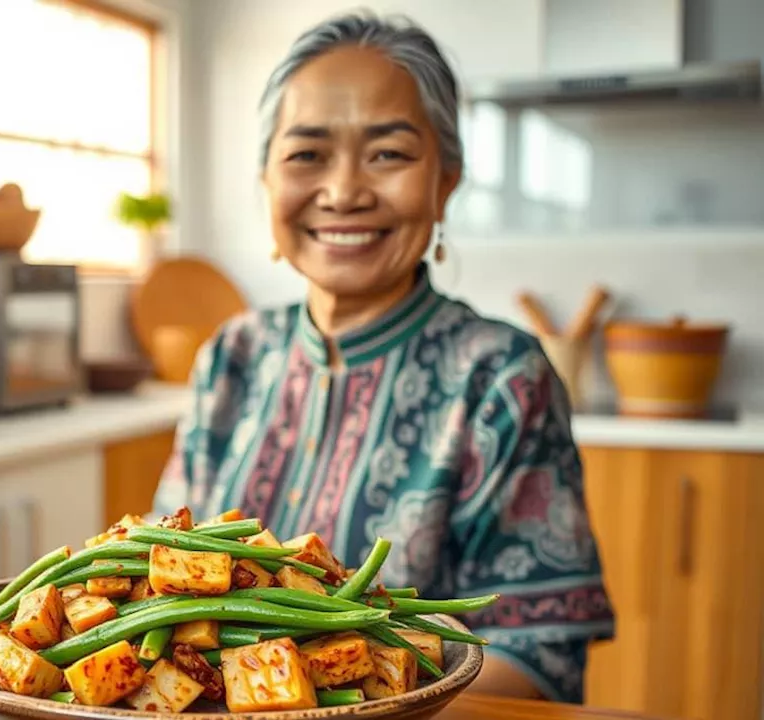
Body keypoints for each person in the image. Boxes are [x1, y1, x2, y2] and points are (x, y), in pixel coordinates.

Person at [150, 11, 614, 704]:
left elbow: (538, 659)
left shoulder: (500, 378)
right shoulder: (232, 358)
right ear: (267, 181)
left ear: (446, 180)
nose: (343, 192)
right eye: (307, 154)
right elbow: (156, 591)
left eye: (389, 154)